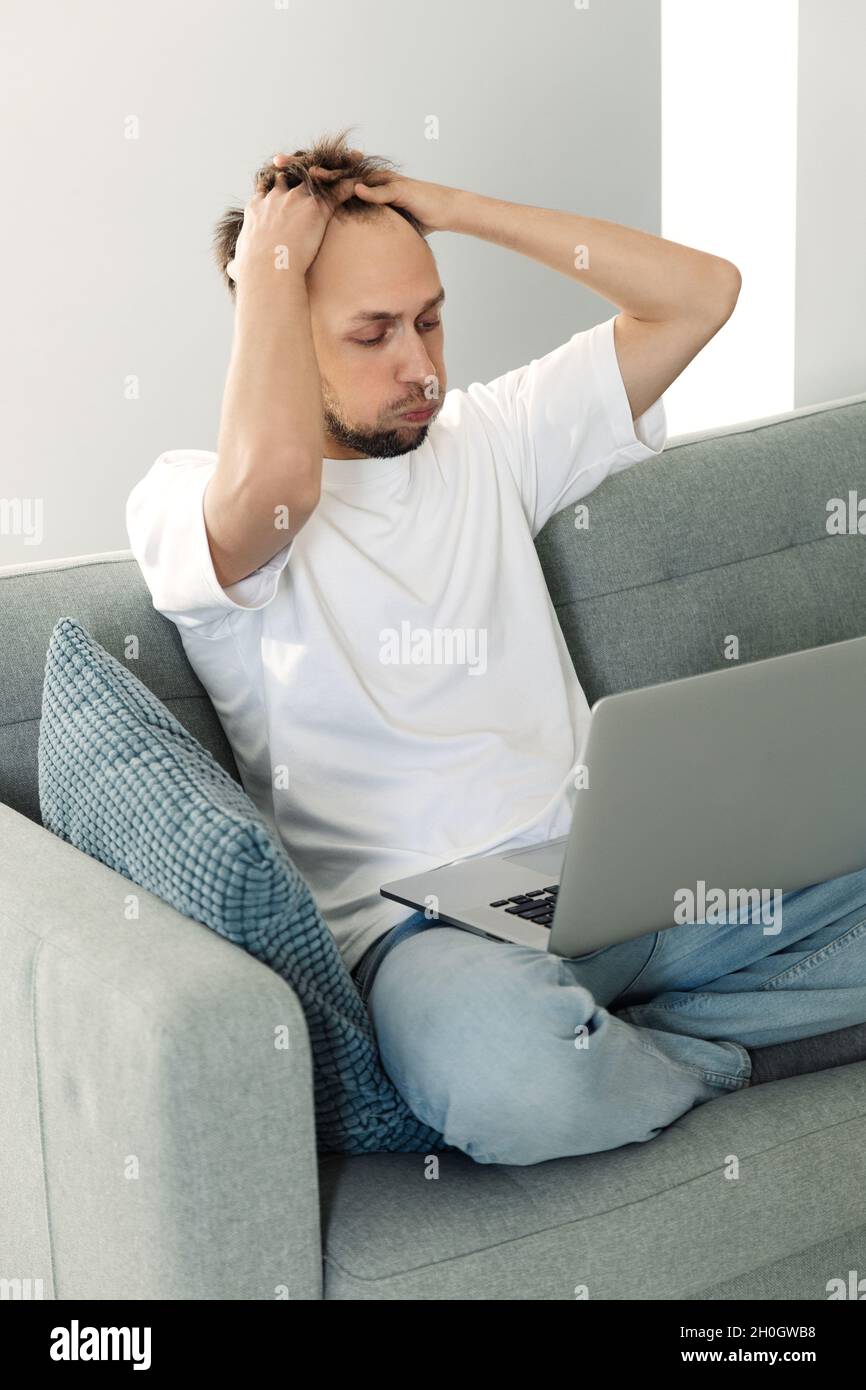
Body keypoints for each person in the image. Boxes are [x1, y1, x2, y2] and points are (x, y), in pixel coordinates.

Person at [126, 131, 866, 1165]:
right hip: (428, 943)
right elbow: (277, 486)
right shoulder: (183, 501)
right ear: (277, 331)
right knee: (514, 1084)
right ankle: (701, 1052)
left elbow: (700, 293)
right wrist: (269, 270)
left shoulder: (490, 437)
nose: (419, 365)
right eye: (372, 332)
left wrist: (447, 206)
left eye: (430, 319)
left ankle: (629, 1044)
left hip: (621, 883)